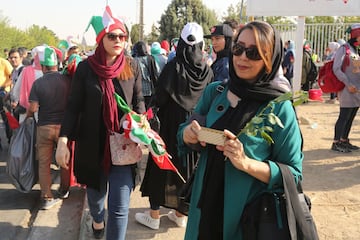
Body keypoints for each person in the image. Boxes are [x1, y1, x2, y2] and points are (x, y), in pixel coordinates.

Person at [177, 21, 303, 239]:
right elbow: (185, 132)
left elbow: (293, 173)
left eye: (254, 52)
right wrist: (188, 134)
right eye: (238, 48)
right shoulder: (214, 92)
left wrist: (246, 163)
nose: (243, 57)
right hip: (205, 208)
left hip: (246, 220)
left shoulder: (279, 108)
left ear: (269, 58)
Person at [55, 5, 145, 240]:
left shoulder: (132, 65)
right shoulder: (86, 68)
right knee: (96, 201)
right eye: (112, 36)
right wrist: (63, 140)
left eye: (122, 36)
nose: (118, 40)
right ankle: (96, 220)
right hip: (92, 145)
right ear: (101, 39)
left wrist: (141, 120)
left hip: (123, 145)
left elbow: (139, 100)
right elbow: (73, 106)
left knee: (120, 206)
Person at [135, 22, 213, 230]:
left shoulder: (173, 67)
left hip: (170, 128)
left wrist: (146, 117)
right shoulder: (206, 71)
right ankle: (180, 213)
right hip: (195, 129)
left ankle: (154, 215)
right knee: (189, 170)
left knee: (161, 166)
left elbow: (159, 98)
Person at [26, 46, 71, 210]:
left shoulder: (38, 83)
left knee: (44, 164)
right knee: (64, 160)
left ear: (43, 67)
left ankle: (46, 197)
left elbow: (33, 108)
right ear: (57, 65)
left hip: (44, 127)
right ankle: (64, 190)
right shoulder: (67, 81)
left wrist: (28, 120)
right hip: (64, 129)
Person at [331, 23, 360, 153]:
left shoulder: (355, 50)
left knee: (351, 115)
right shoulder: (344, 49)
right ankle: (336, 142)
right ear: (356, 36)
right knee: (344, 116)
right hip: (347, 88)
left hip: (357, 89)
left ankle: (344, 140)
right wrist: (348, 84)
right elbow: (336, 68)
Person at [132, 41, 159, 108]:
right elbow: (156, 72)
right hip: (150, 89)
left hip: (139, 90)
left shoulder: (134, 60)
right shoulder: (150, 58)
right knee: (150, 110)